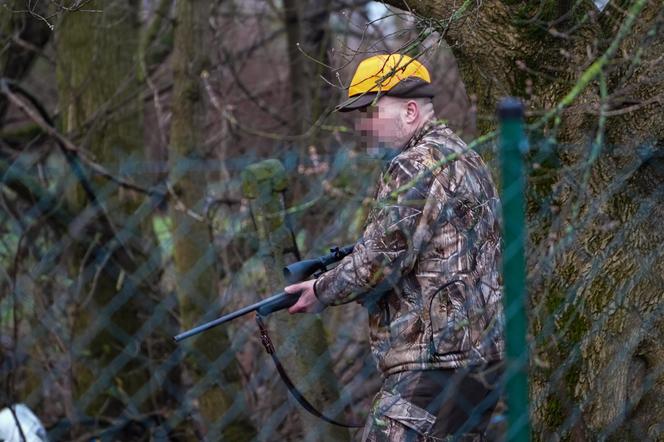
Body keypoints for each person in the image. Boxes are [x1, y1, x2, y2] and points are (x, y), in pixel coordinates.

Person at [285, 54, 505, 441]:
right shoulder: (466, 158)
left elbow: (380, 260)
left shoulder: (415, 164)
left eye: (370, 111)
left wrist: (320, 290)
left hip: (434, 362)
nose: (362, 126)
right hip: (481, 361)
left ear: (409, 111)